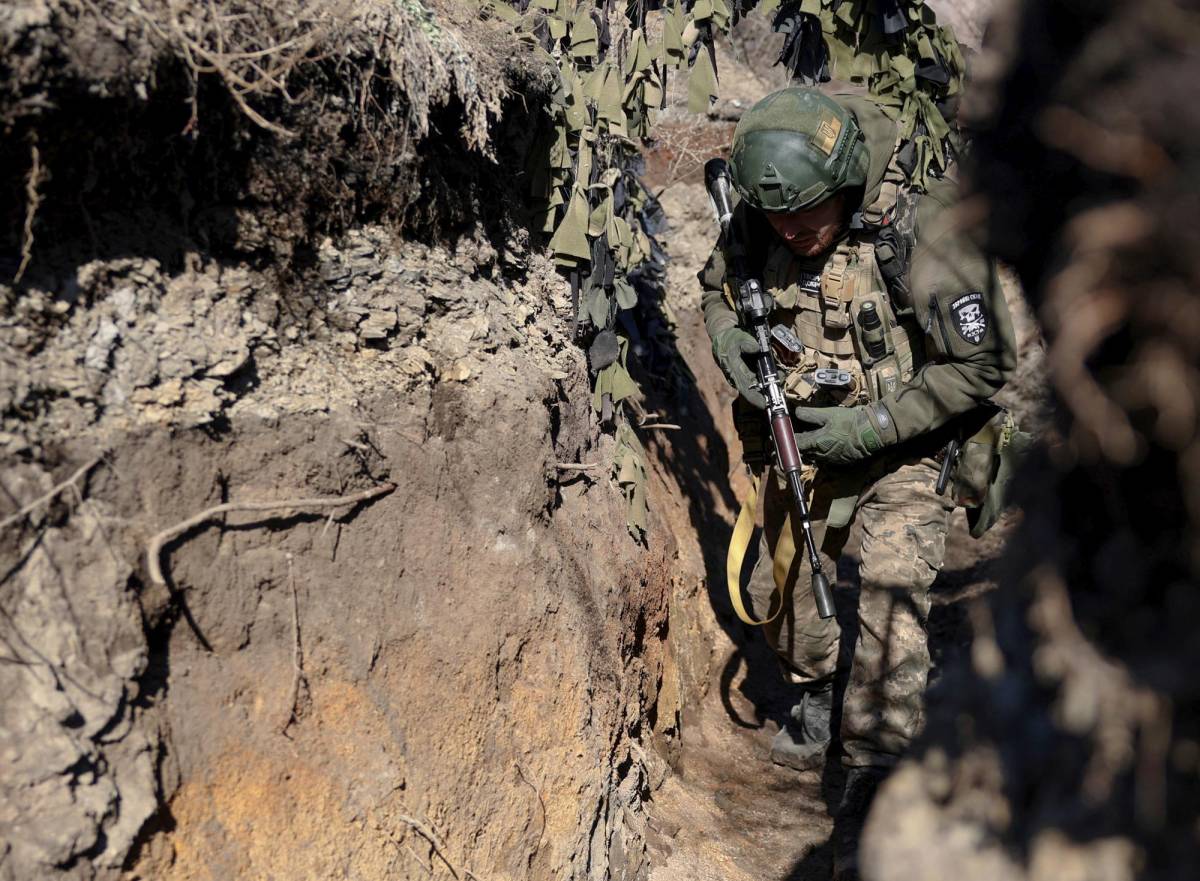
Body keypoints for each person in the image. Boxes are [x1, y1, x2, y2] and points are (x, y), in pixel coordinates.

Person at [699, 86, 1017, 879]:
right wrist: (735, 346)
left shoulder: (923, 231)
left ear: (845, 187)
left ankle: (874, 771)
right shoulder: (764, 211)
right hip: (801, 434)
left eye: (807, 217)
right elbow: (716, 290)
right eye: (775, 220)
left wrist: (870, 429)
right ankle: (811, 686)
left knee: (887, 593)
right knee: (791, 581)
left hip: (904, 443)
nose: (790, 234)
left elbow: (983, 363)